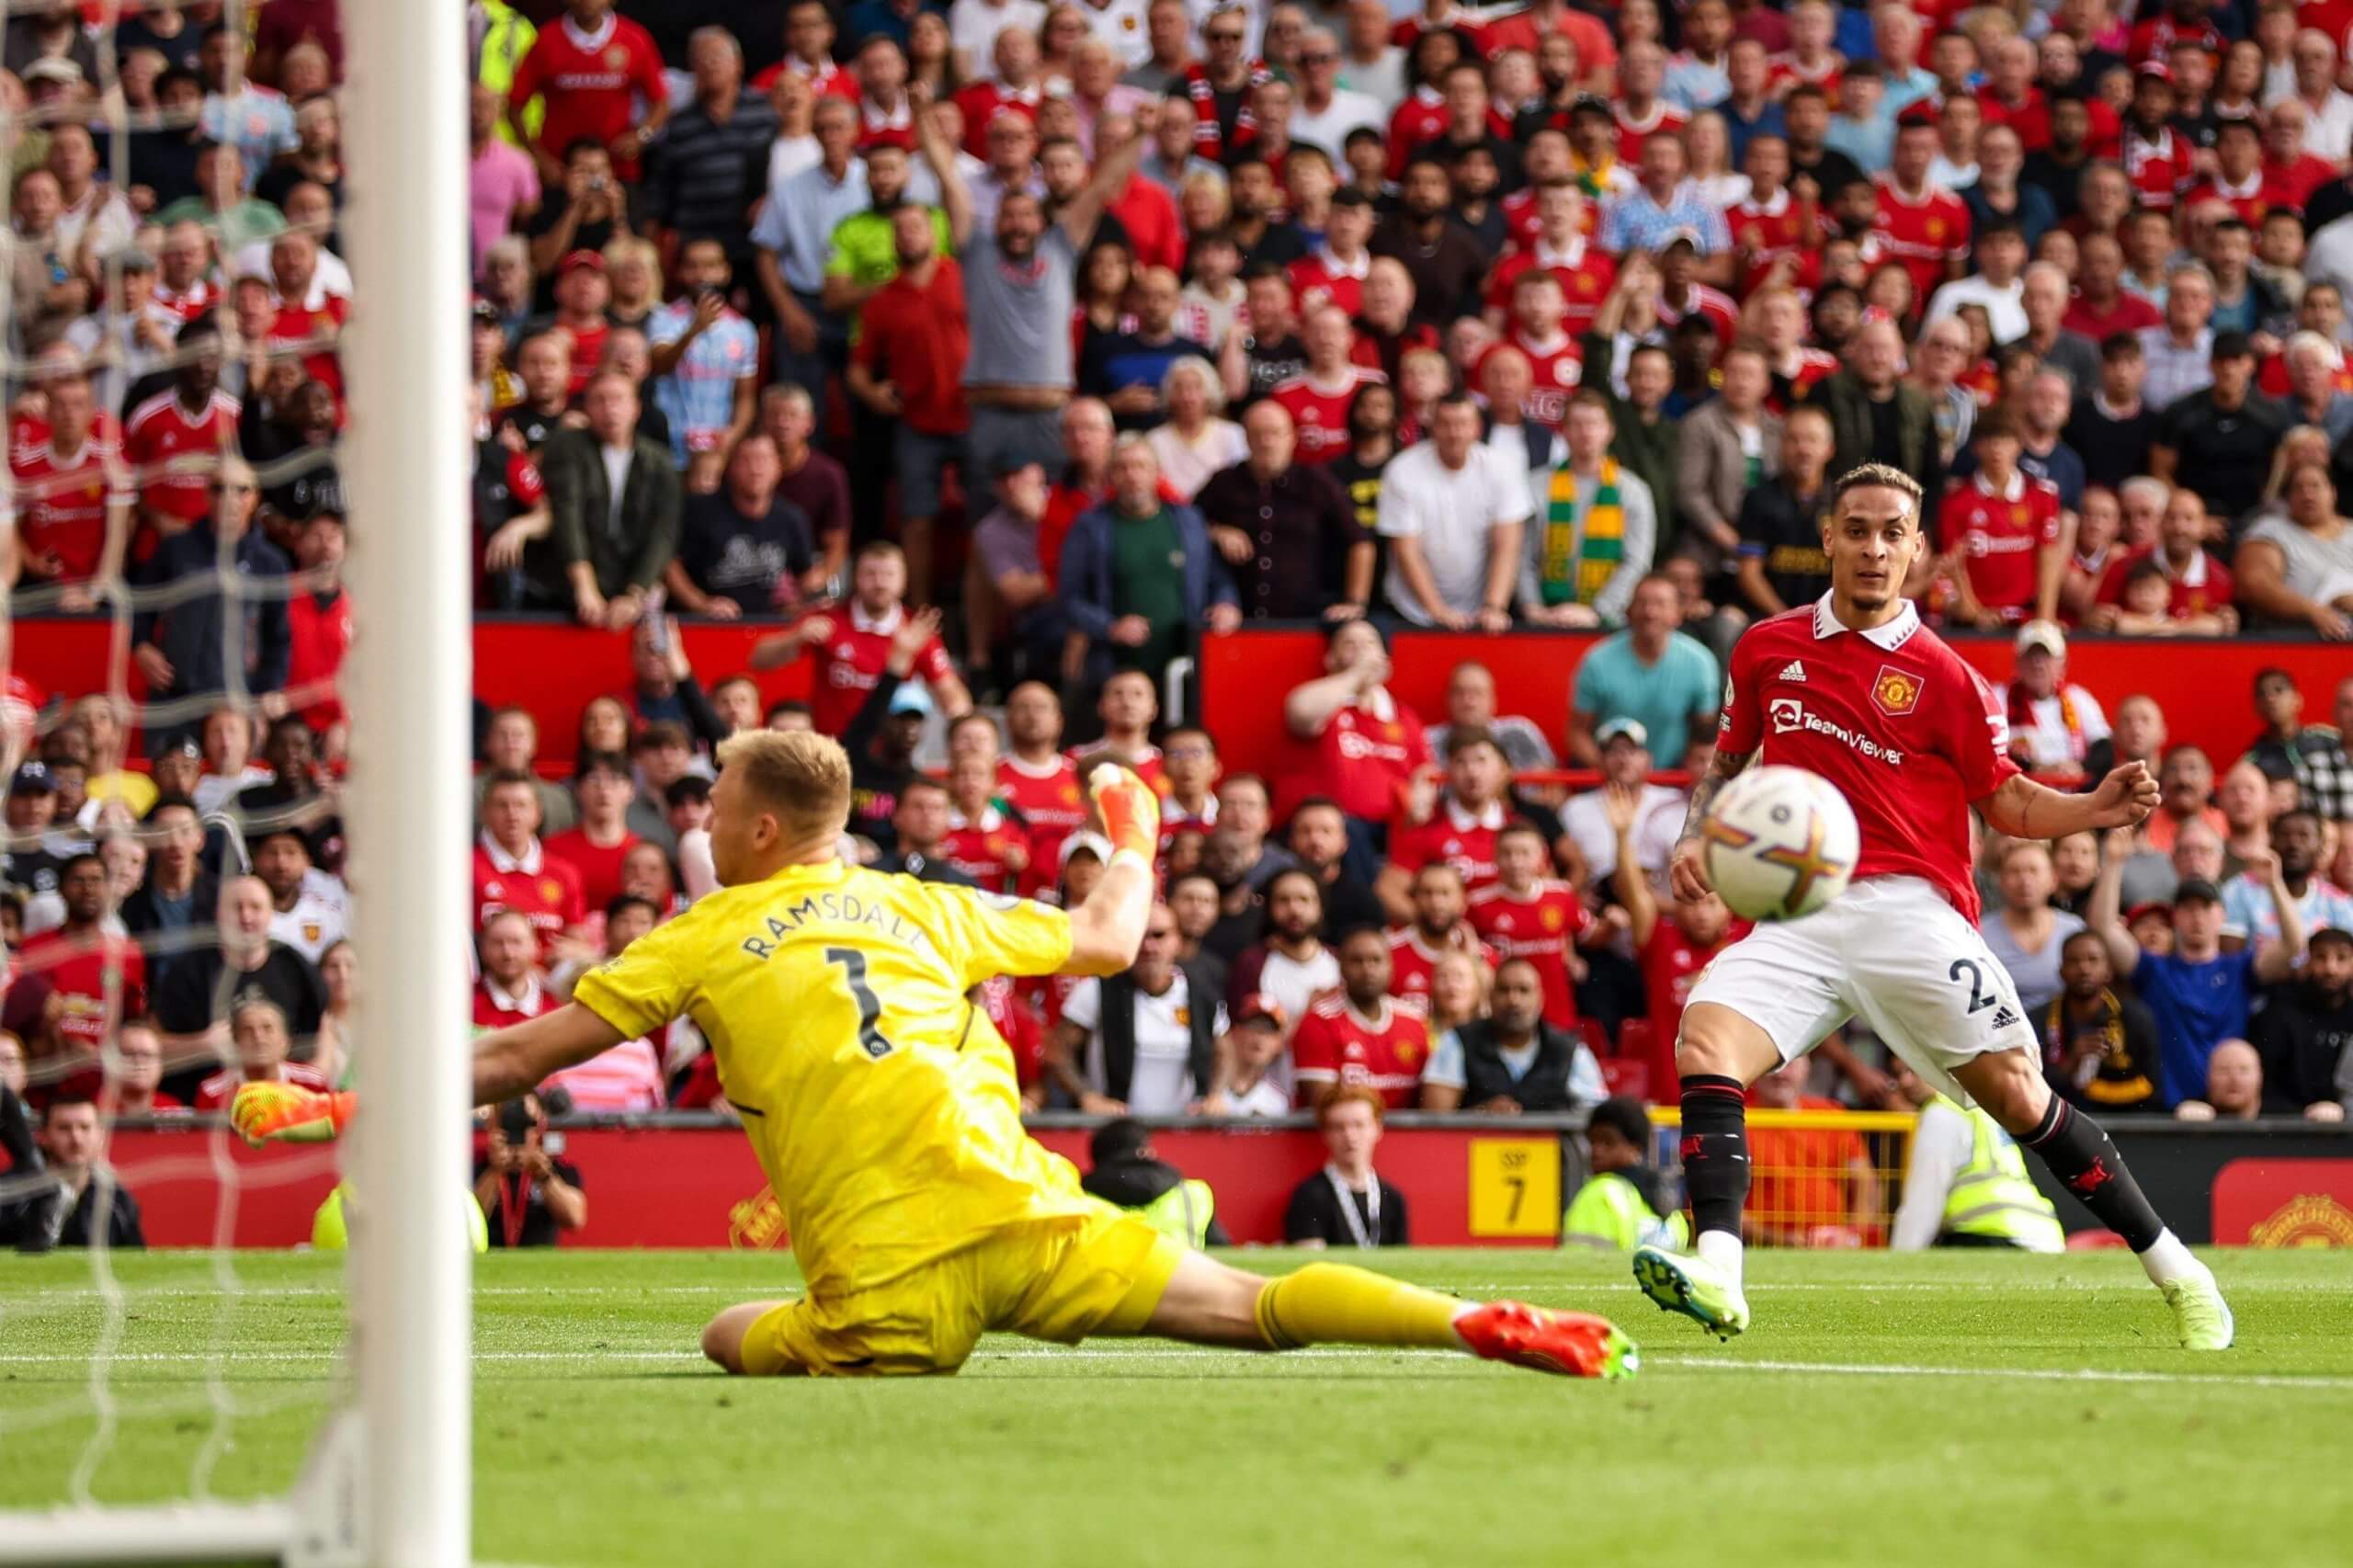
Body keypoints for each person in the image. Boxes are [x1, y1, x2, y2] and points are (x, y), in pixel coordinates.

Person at [237, 733, 1639, 1378]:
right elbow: (1105, 933)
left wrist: (345, 1101)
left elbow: (511, 1061)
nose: (705, 819)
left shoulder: (707, 930)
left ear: (764, 831)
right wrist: (1135, 816)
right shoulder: (924, 899)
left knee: (722, 1337)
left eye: (717, 801)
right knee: (1251, 1305)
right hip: (1031, 1218)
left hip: (884, 1289)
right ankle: (1467, 1320)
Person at [1636, 460, 2233, 1351]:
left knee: (2021, 1100)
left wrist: (2090, 806)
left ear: (1916, 550)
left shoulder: (1948, 676)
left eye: (1892, 534)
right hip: (1799, 913)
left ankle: (2178, 1270)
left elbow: (2003, 799)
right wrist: (1693, 833)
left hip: (1908, 910)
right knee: (1705, 1041)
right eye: (1857, 528)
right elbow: (1728, 760)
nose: (1874, 548)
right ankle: (1719, 1266)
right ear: (1828, 537)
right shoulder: (1765, 645)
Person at [2090, 832, 2305, 1111]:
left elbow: (2293, 945)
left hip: (2232, 1109)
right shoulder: (2155, 969)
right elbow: (2103, 930)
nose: (2197, 917)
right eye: (2188, 909)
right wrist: (2114, 863)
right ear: (2175, 917)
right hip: (2172, 1111)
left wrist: (2274, 883)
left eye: (2205, 908)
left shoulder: (2239, 967)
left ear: (2222, 915)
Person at [540, 371, 682, 631]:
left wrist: (635, 593)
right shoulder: (568, 445)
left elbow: (664, 532)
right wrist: (584, 586)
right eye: (600, 400)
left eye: (618, 399)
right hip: (566, 592)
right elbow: (567, 514)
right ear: (586, 408)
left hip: (631, 586)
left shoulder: (658, 460)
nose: (610, 409)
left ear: (636, 408)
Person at [1378, 392, 1529, 629]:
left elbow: (1507, 545)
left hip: (1483, 610)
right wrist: (1437, 610)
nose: (1455, 433)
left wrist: (1494, 606)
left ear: (1477, 428)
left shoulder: (1502, 467)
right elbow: (1407, 551)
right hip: (1411, 610)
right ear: (1432, 427)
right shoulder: (1402, 471)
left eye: (1462, 424)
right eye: (1446, 424)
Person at [1888, 1061, 2065, 1253]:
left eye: (1913, 1069)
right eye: (1898, 1073)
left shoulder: (1940, 1115)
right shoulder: (1980, 1110)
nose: (1904, 1081)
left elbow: (1922, 1207)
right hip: (2045, 1237)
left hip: (1993, 1238)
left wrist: (1899, 1260)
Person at [1566, 575, 1719, 770]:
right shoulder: (1597, 660)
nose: (1650, 612)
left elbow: (1706, 735)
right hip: (1609, 780)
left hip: (1674, 781)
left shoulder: (1700, 662)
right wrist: (1613, 771)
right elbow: (1577, 733)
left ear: (1677, 614)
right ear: (1629, 611)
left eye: (1660, 604)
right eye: (1642, 603)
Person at [1421, 957, 1605, 1112]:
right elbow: (1435, 1121)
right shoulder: (1457, 1042)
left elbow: (1597, 1120)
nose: (1513, 1000)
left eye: (1524, 990)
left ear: (1540, 998)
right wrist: (1480, 1115)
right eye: (1504, 990)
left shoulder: (1570, 1051)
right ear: (1490, 997)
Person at [1289, 925, 1430, 1109]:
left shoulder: (1415, 1020)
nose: (1367, 969)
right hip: (1346, 1134)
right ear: (1341, 968)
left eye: (1376, 960)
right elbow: (1325, 1106)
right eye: (1357, 961)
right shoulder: (1318, 1022)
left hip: (1406, 1136)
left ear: (1391, 966)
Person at [1283, 1085, 1408, 1248]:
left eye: (1359, 1125)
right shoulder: (1309, 1196)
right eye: (1338, 1127)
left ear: (1377, 1128)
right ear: (1325, 1134)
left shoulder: (1393, 1198)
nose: (1350, 1135)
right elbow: (1312, 1264)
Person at [2251, 925, 2353, 1119]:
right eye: (2321, 957)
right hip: (2288, 1128)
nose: (2330, 968)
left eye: (2341, 958)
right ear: (2307, 962)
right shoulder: (2281, 1012)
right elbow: (2266, 1084)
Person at [1562, 1095, 1687, 1251]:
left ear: (1635, 1148)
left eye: (1608, 1142)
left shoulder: (1600, 1193)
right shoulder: (1667, 1197)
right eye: (1592, 1141)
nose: (1596, 1151)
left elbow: (1579, 1261)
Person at [1079, 1119, 1226, 1247]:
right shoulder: (1194, 1193)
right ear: (1146, 1152)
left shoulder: (1078, 1197)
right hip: (1181, 1278)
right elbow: (1222, 1253)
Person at [475, 1091, 588, 1247]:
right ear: (491, 1123)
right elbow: (466, 1220)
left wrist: (544, 1175)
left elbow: (575, 1219)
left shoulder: (558, 1168)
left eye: (526, 1123)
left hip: (543, 1263)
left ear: (540, 1124)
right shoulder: (476, 1166)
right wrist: (494, 1171)